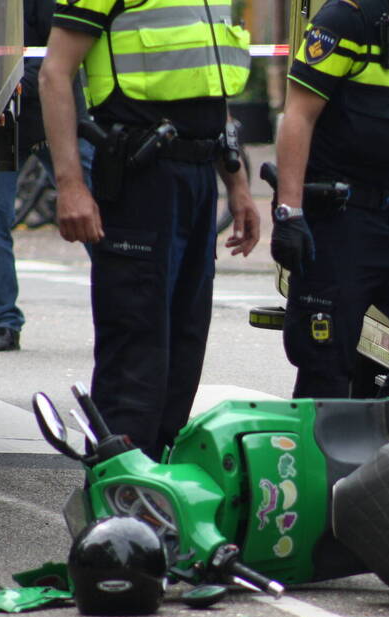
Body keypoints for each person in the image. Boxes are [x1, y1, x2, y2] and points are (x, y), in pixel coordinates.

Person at [40, 0, 260, 459]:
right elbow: (54, 74)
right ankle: (118, 507)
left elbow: (209, 88)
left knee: (183, 352)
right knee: (135, 361)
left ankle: (158, 499)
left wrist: (236, 182)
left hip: (198, 178)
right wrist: (70, 185)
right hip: (142, 177)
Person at [274, 0, 389, 399]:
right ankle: (321, 461)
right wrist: (288, 212)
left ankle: (387, 446)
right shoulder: (345, 20)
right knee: (324, 366)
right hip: (340, 221)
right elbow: (299, 114)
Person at [0, 0, 95, 352]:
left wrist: (15, 85)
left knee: (102, 212)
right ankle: (4, 321)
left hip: (53, 117)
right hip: (2, 124)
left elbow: (59, 53)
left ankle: (127, 309)